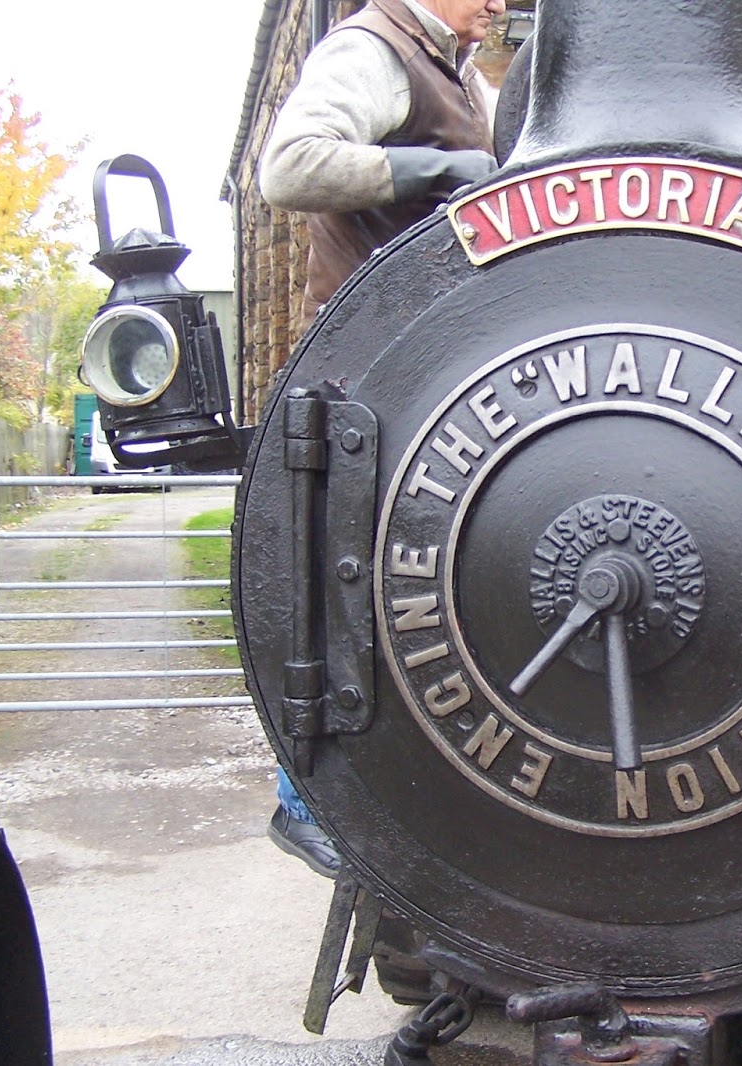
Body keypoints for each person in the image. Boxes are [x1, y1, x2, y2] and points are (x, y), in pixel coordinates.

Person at [258, 0, 504, 878]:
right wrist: (428, 167)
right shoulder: (372, 49)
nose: (500, 1)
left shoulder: (459, 67)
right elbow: (286, 171)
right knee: (332, 574)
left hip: (424, 354)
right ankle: (302, 800)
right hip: (361, 356)